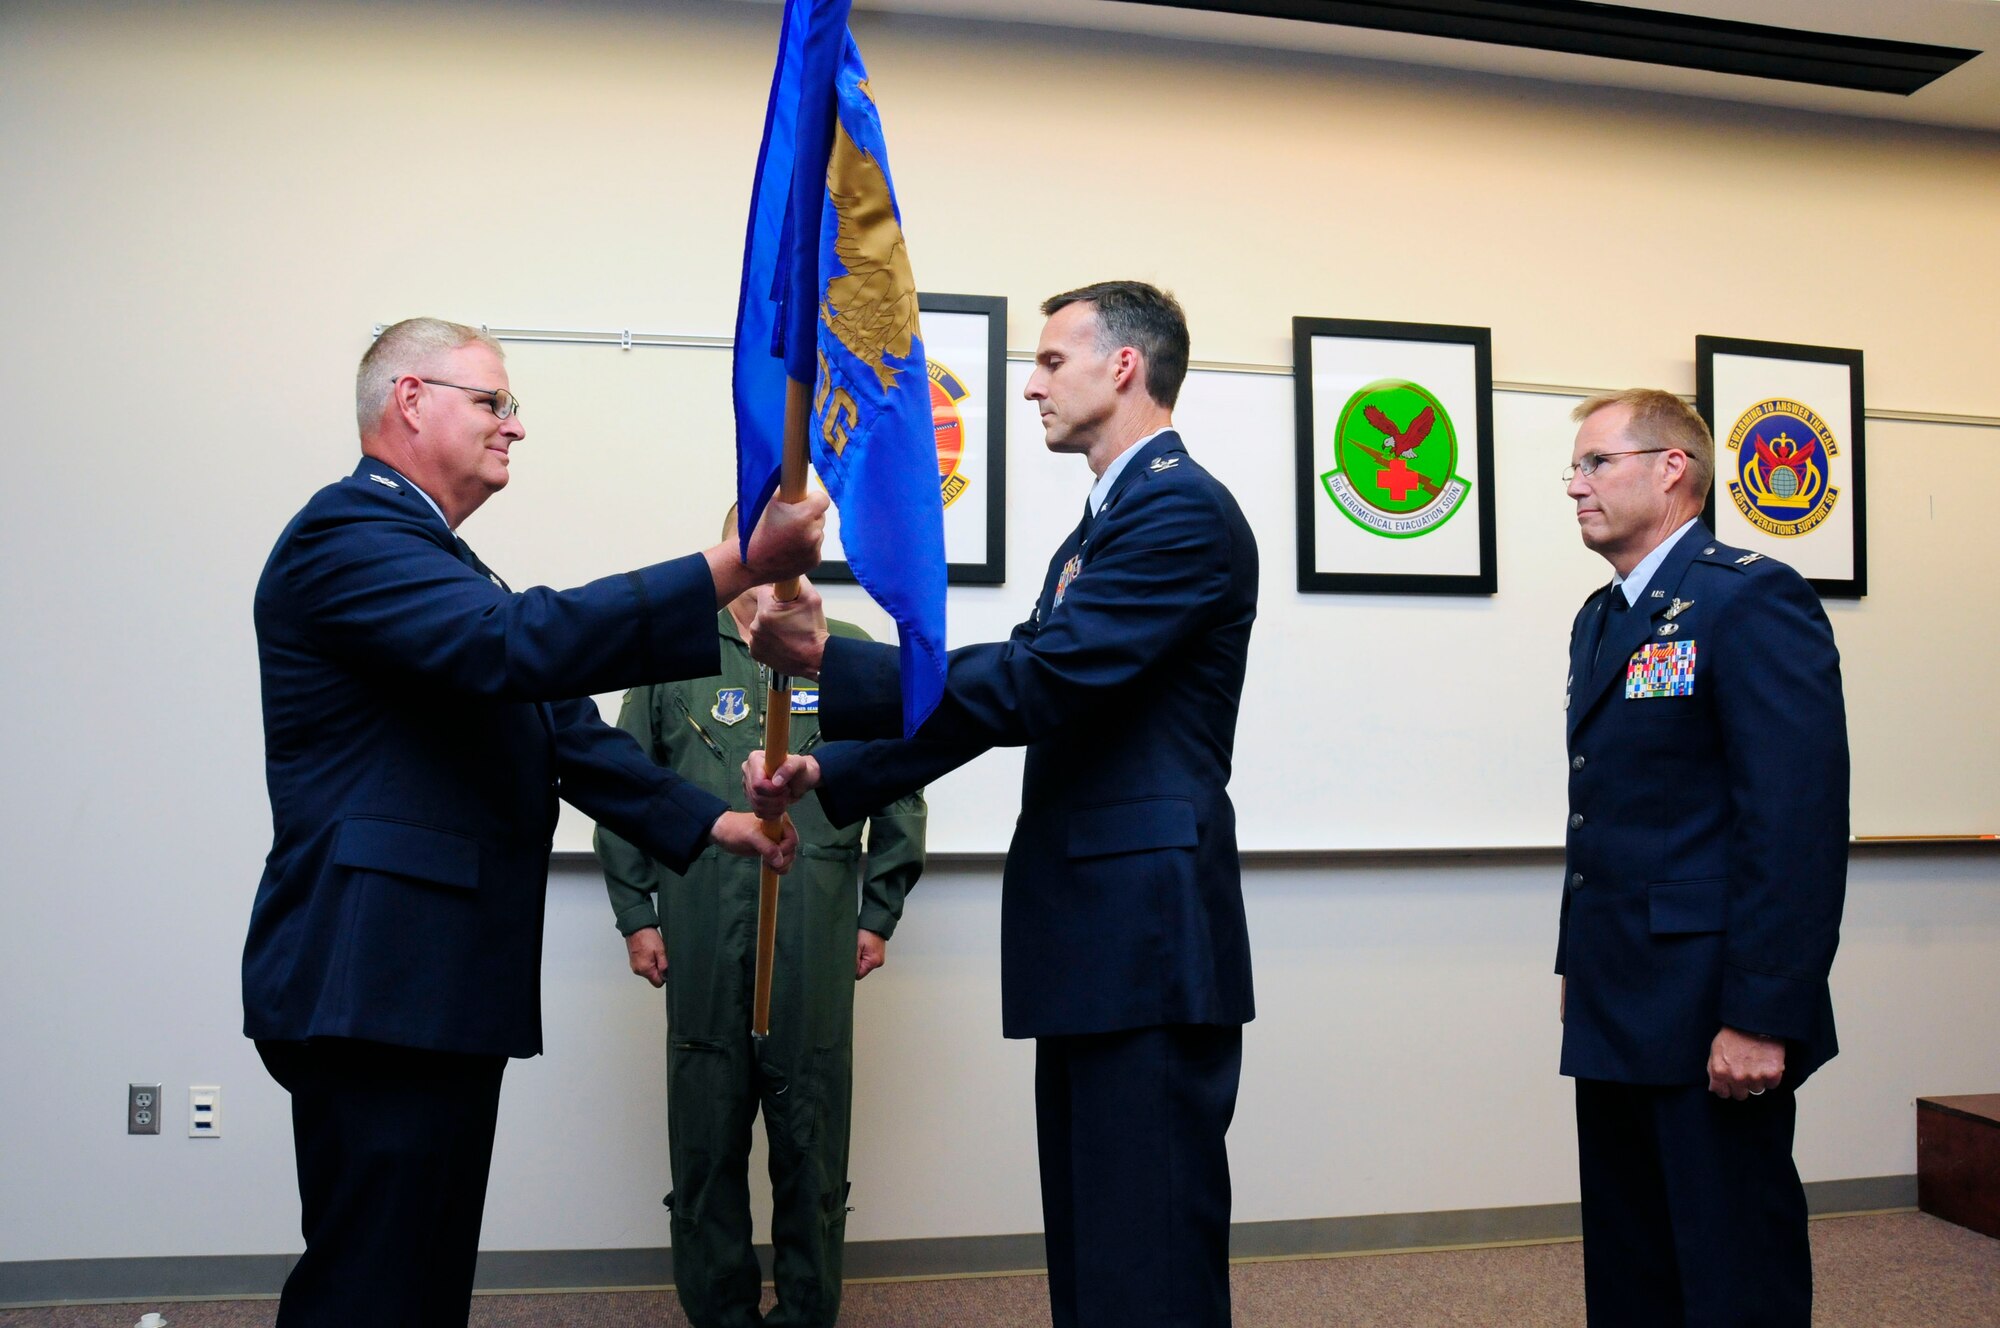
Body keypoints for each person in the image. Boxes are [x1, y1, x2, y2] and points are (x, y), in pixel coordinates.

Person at [243, 317, 824, 1327]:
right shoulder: (349, 537)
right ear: (410, 400)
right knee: (372, 1278)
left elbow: (561, 733)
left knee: (418, 1273)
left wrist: (713, 825)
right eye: (492, 401)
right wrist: (729, 567)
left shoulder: (446, 568)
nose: (515, 425)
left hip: (431, 978)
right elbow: (518, 646)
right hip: (377, 973)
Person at [744, 281, 1257, 1328]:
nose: (1029, 385)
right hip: (1096, 929)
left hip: (1145, 933)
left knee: (1145, 1245)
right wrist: (832, 772)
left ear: (1124, 365)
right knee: (1094, 1234)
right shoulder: (1102, 524)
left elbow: (1037, 682)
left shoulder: (1178, 509)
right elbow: (1006, 692)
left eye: (1051, 360)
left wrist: (829, 663)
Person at [1556, 389, 1848, 1326]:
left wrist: (1765, 1011)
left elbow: (1794, 820)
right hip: (1618, 994)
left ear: (1670, 468)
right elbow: (1610, 807)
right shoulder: (1602, 615)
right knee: (1632, 1259)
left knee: (1730, 1264)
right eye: (1574, 468)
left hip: (1712, 1002)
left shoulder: (1750, 596)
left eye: (1596, 463)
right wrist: (1579, 963)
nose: (1574, 486)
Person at [595, 508, 927, 1328]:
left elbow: (900, 786)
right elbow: (623, 788)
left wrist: (878, 914)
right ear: (739, 552)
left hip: (813, 936)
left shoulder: (840, 647)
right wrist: (636, 914)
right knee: (707, 1139)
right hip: (703, 931)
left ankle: (808, 1312)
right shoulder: (676, 650)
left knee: (810, 1134)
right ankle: (720, 1312)